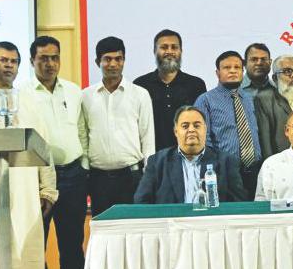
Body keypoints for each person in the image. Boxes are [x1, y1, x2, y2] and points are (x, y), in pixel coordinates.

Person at [0, 41, 58, 269]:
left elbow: (43, 145)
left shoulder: (28, 100)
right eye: (3, 60)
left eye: (13, 61)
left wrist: (48, 188)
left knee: (25, 246)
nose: (9, 66)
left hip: (25, 185)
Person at [20, 35, 88, 269]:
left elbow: (82, 131)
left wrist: (84, 166)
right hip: (36, 179)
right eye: (43, 58)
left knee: (72, 245)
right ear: (32, 60)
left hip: (72, 175)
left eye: (54, 57)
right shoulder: (22, 94)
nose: (49, 63)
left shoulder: (73, 92)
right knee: (36, 246)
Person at [81, 36, 156, 217]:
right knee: (102, 229)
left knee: (134, 229)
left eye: (118, 59)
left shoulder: (140, 94)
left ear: (124, 61)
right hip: (98, 180)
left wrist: (149, 177)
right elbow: (83, 138)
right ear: (97, 62)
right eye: (107, 59)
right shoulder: (85, 96)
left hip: (132, 178)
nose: (113, 64)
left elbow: (147, 138)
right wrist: (85, 173)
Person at [134, 106, 246, 204]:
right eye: (185, 126)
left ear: (205, 130)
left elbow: (239, 204)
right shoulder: (157, 162)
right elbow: (141, 202)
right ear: (176, 131)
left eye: (197, 126)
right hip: (172, 221)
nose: (191, 130)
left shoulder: (226, 162)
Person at [194, 51, 263, 193]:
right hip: (224, 171)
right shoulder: (205, 100)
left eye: (237, 67)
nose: (232, 71)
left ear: (243, 71)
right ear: (217, 73)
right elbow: (203, 141)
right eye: (227, 67)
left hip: (255, 170)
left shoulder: (249, 98)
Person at [133, 29, 207, 152]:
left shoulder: (196, 85)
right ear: (154, 51)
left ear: (181, 51)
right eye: (164, 47)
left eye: (174, 47)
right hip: (151, 157)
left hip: (188, 156)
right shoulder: (140, 85)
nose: (169, 51)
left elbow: (202, 126)